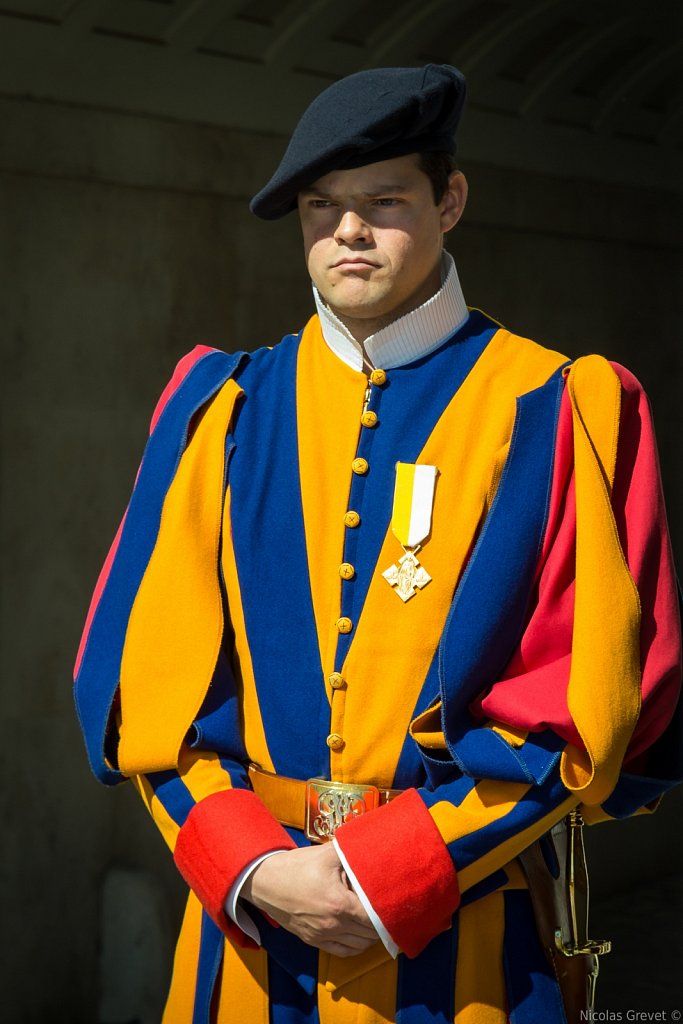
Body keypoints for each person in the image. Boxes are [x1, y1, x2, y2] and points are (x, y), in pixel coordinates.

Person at [74, 64, 682, 1024]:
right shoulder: (218, 409)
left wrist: (391, 874)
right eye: (322, 207)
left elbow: (588, 707)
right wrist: (252, 867)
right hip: (246, 936)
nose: (346, 231)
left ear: (450, 201)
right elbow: (144, 693)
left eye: (382, 201)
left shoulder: (560, 407)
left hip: (471, 935)